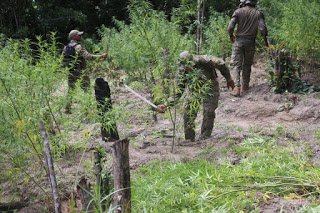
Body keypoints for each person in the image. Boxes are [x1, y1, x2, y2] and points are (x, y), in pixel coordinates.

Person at [157, 51, 235, 141]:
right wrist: (166, 105)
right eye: (185, 67)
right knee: (188, 113)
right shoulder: (181, 73)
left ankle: (205, 138)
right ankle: (189, 140)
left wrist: (229, 79)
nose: (187, 69)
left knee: (208, 111)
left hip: (210, 86)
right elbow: (178, 93)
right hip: (194, 90)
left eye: (188, 66)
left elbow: (221, 64)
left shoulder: (204, 60)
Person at [228, 0, 268, 97]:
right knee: (247, 65)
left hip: (238, 42)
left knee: (236, 65)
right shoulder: (258, 13)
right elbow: (263, 28)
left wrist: (231, 36)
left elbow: (230, 27)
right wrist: (265, 40)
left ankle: (236, 87)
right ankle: (245, 87)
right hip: (251, 42)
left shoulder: (238, 12)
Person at [62, 29, 108, 113]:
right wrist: (101, 56)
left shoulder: (66, 47)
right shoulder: (79, 47)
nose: (81, 36)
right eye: (79, 35)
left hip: (71, 72)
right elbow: (88, 57)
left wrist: (67, 69)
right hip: (81, 72)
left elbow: (63, 60)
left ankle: (67, 108)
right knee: (86, 90)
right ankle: (86, 108)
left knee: (71, 90)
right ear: (74, 37)